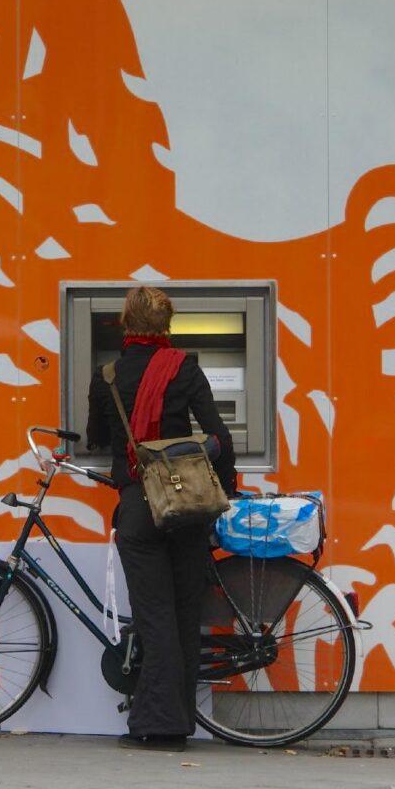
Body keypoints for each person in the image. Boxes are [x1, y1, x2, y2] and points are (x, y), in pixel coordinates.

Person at [86, 286, 237, 751]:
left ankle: (160, 726)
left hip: (139, 508)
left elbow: (95, 437)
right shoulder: (185, 368)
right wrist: (224, 490)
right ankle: (178, 719)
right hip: (187, 507)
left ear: (125, 322)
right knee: (184, 612)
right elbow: (219, 436)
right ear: (166, 324)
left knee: (154, 615)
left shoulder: (107, 374)